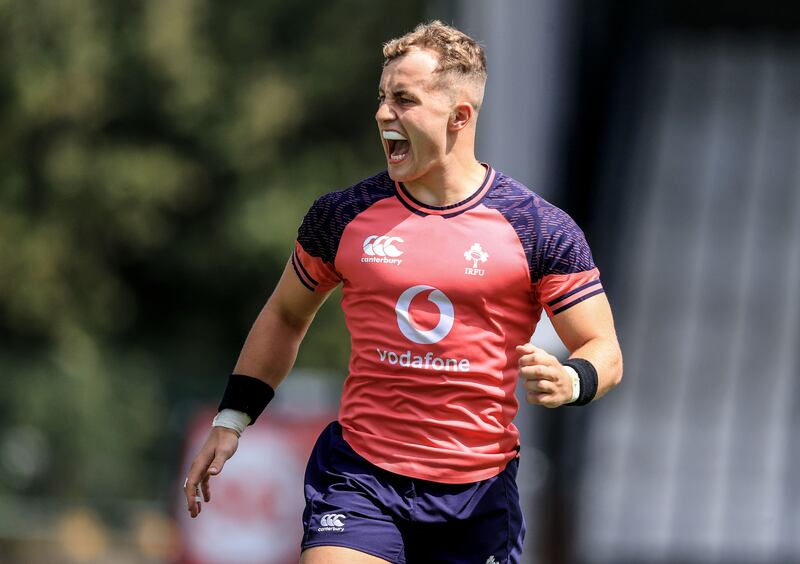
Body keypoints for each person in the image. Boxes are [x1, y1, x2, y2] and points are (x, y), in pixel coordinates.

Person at [183, 20, 623, 564]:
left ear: (460, 116)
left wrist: (571, 380)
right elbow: (286, 316)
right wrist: (232, 419)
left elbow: (604, 349)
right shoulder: (342, 216)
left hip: (477, 497)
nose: (382, 113)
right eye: (382, 97)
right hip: (360, 478)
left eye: (404, 100)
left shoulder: (539, 228)